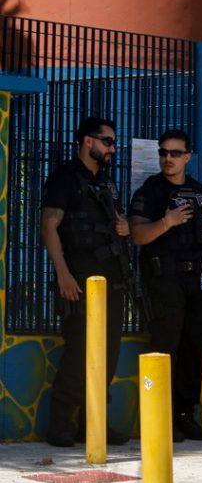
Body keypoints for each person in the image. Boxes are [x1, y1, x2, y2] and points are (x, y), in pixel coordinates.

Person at [40, 117, 132, 448]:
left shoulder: (107, 182)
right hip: (79, 280)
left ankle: (93, 424)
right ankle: (61, 424)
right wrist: (62, 273)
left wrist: (124, 228)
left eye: (113, 143)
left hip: (113, 281)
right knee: (79, 353)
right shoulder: (65, 177)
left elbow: (116, 224)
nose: (112, 148)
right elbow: (49, 225)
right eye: (107, 141)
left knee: (106, 355)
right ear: (87, 142)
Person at [129, 129, 202, 442]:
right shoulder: (151, 191)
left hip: (198, 278)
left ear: (187, 156)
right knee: (165, 346)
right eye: (163, 153)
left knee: (194, 347)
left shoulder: (198, 191)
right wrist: (167, 222)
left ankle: (184, 414)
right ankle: (159, 417)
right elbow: (138, 235)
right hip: (165, 278)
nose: (167, 159)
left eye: (174, 153)